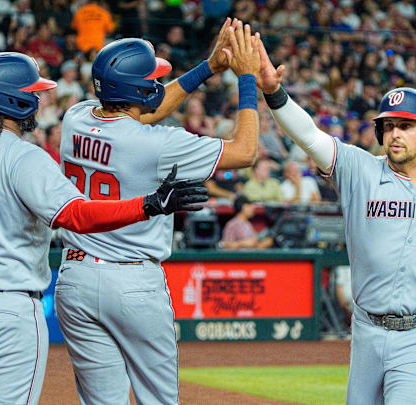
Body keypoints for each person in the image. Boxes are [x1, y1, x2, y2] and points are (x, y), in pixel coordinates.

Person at [0, 52, 208, 405]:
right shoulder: (22, 156)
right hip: (5, 311)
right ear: (15, 99)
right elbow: (76, 216)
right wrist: (149, 205)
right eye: (33, 92)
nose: (38, 99)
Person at [257, 41, 416, 404]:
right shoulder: (360, 169)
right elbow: (308, 135)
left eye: (406, 125)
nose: (395, 134)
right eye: (388, 126)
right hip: (368, 329)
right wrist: (274, 93)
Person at [55, 19, 259, 405]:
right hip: (133, 281)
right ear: (141, 89)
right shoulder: (158, 144)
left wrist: (209, 67)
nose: (157, 84)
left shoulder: (75, 118)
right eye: (152, 79)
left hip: (75, 277)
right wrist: (245, 79)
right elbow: (246, 151)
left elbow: (143, 110)